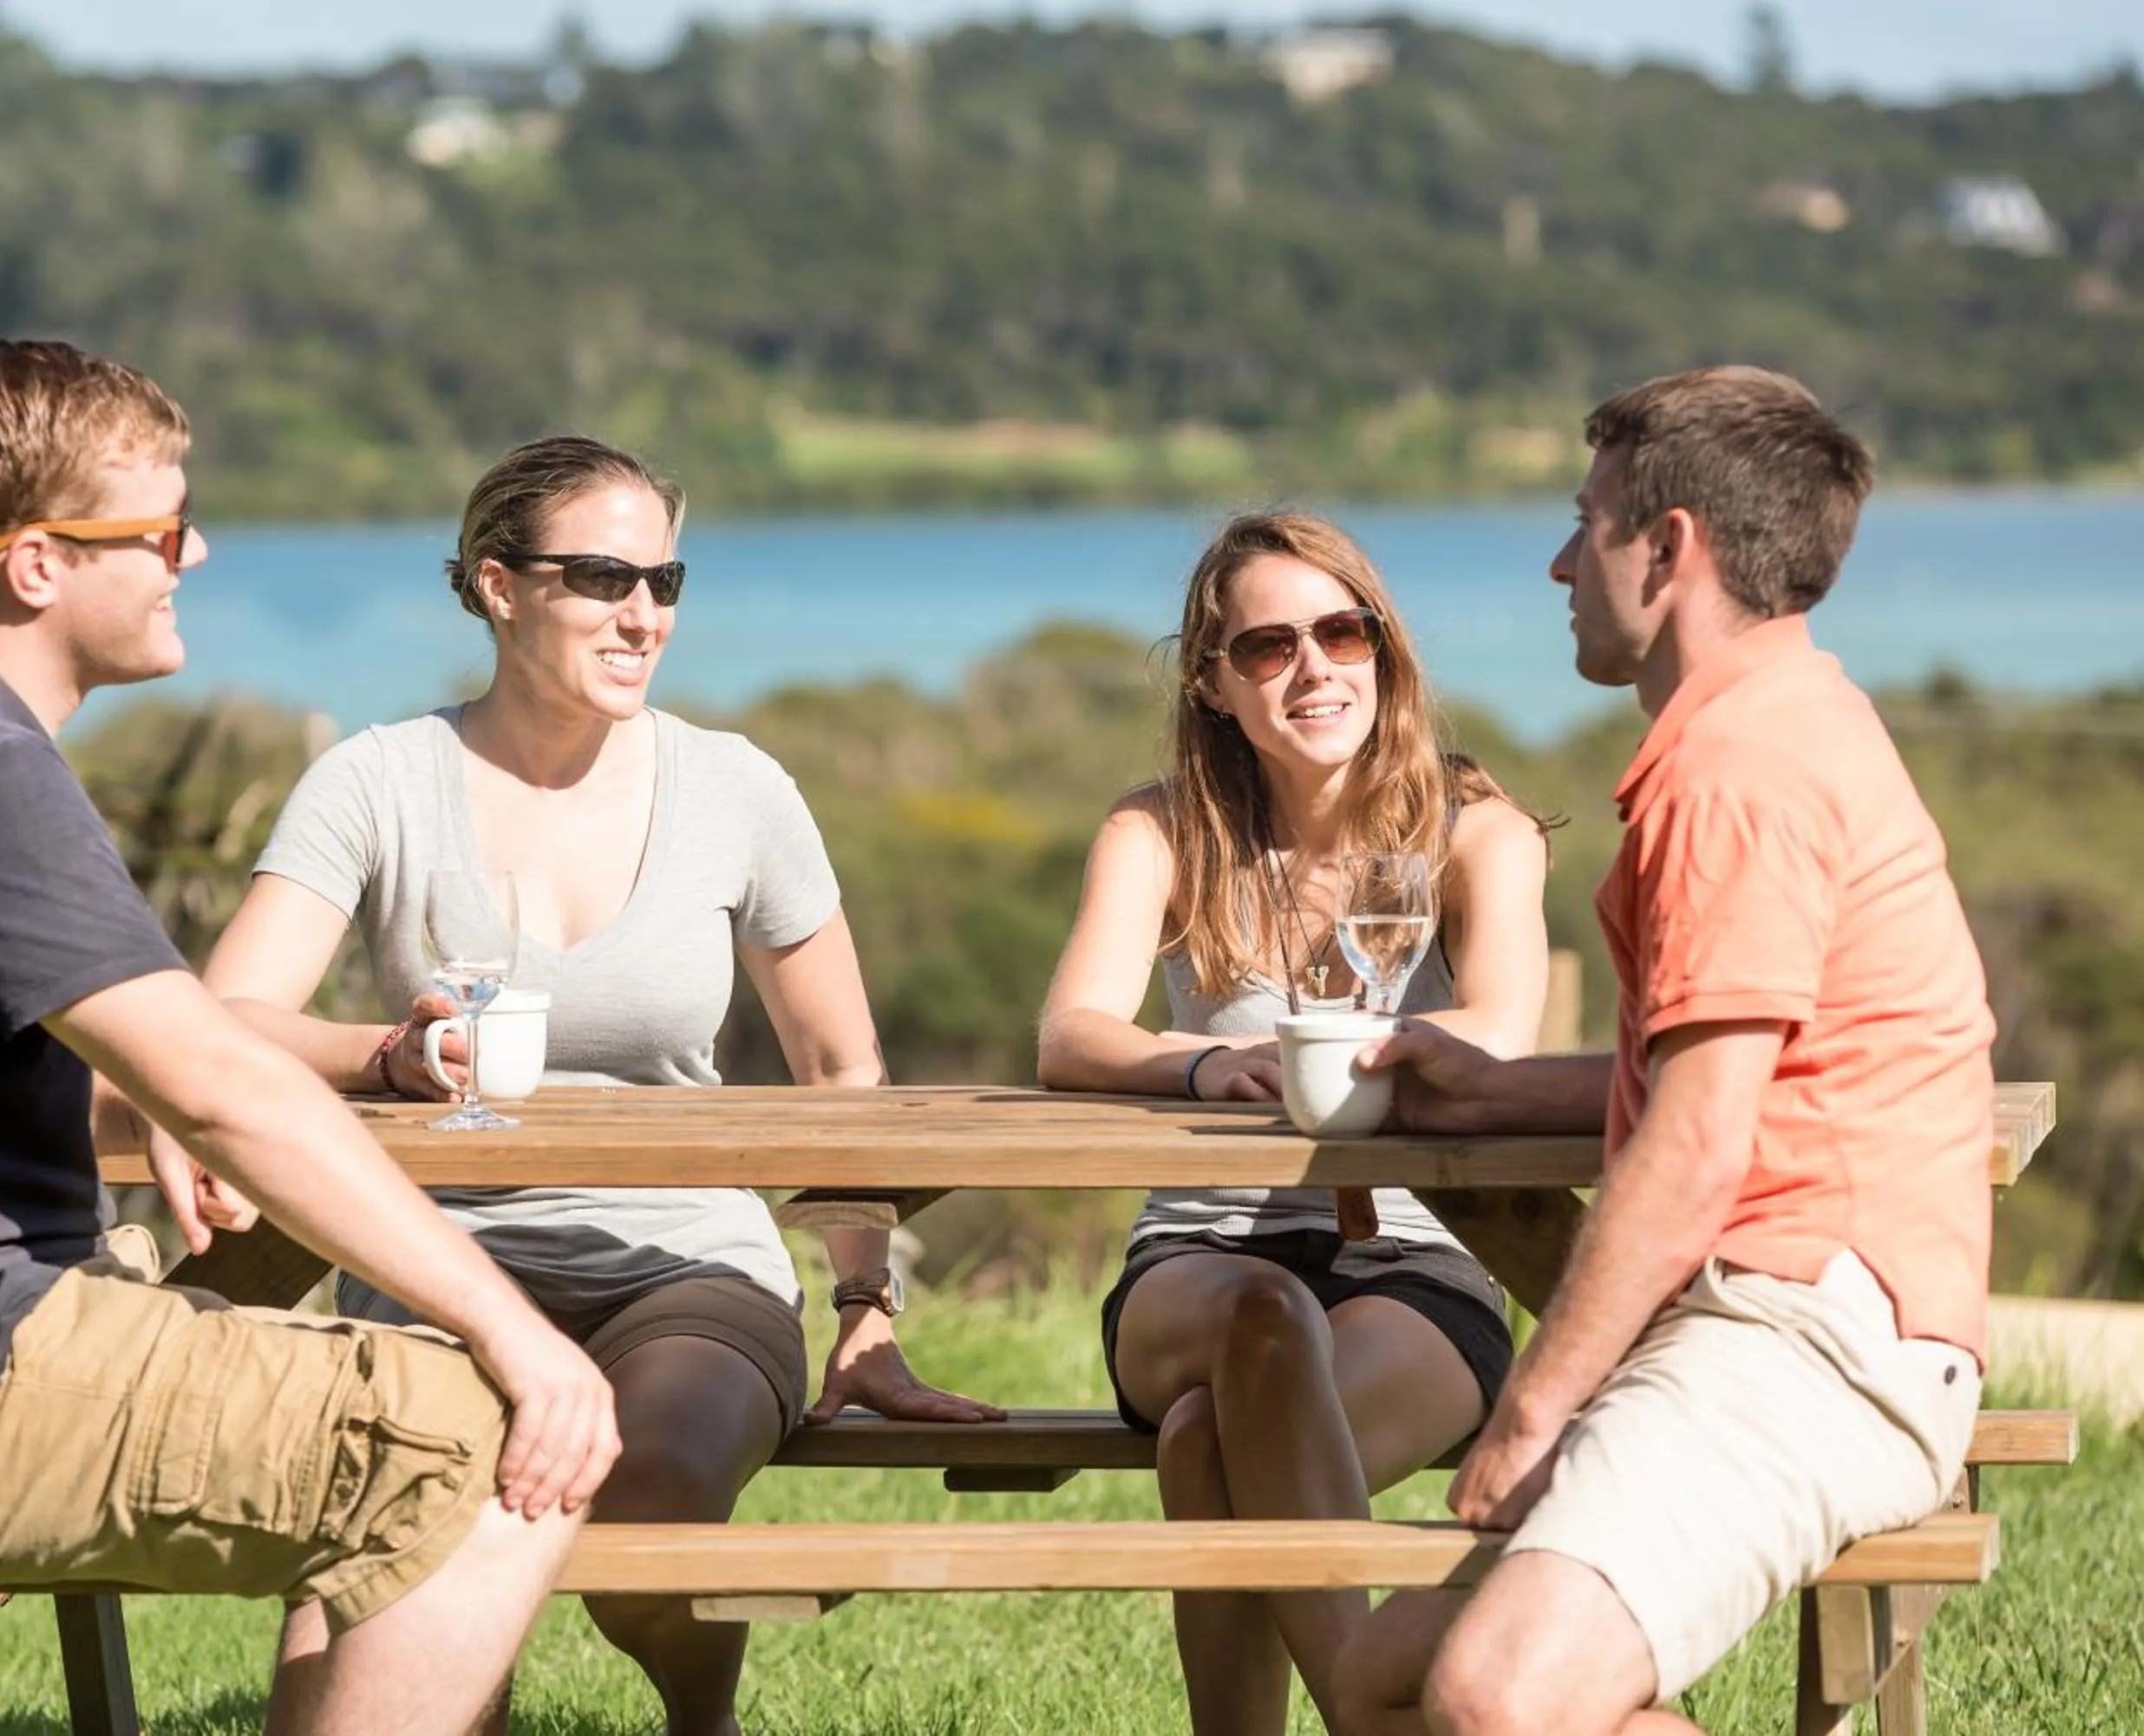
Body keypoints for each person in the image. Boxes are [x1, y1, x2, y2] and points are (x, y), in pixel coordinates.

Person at [0, 340, 620, 1736]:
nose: (195, 549)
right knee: (485, 1431)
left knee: (307, 1243)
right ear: (36, 564)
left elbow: (73, 1062)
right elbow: (222, 1081)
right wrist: (516, 1324)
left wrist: (183, 1112)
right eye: (160, 530)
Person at [167, 433, 1001, 1736]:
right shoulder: (380, 781)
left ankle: (698, 1717)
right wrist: (383, 1054)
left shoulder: (735, 789)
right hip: (438, 1265)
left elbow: (843, 1071)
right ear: (499, 584)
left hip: (689, 1265)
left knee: (652, 1496)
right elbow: (225, 1018)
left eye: (667, 582)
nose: (643, 613)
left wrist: (865, 1306)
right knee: (407, 1536)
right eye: (606, 576)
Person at [1332, 367, 1996, 1736]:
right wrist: (1516, 1089)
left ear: (1672, 546)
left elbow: (1699, 1145)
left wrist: (1529, 1413)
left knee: (1498, 1696)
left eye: (1589, 521)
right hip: (1787, 1319)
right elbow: (1734, 1075)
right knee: (1379, 1681)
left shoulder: (1736, 775)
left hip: (1817, 1339)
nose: (1564, 560)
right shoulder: (1787, 721)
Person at [1036, 509, 1552, 1734]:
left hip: (1419, 1263)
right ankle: (1375, 1716)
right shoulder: (1160, 830)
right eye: (1268, 647)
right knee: (1259, 1317)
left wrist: (1375, 1054)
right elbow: (1072, 1034)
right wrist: (1210, 1062)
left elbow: (1504, 1026)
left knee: (1209, 1449)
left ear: (1384, 647)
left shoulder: (1480, 830)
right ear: (1213, 683)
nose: (1315, 668)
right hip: (1199, 1259)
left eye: (1342, 630)